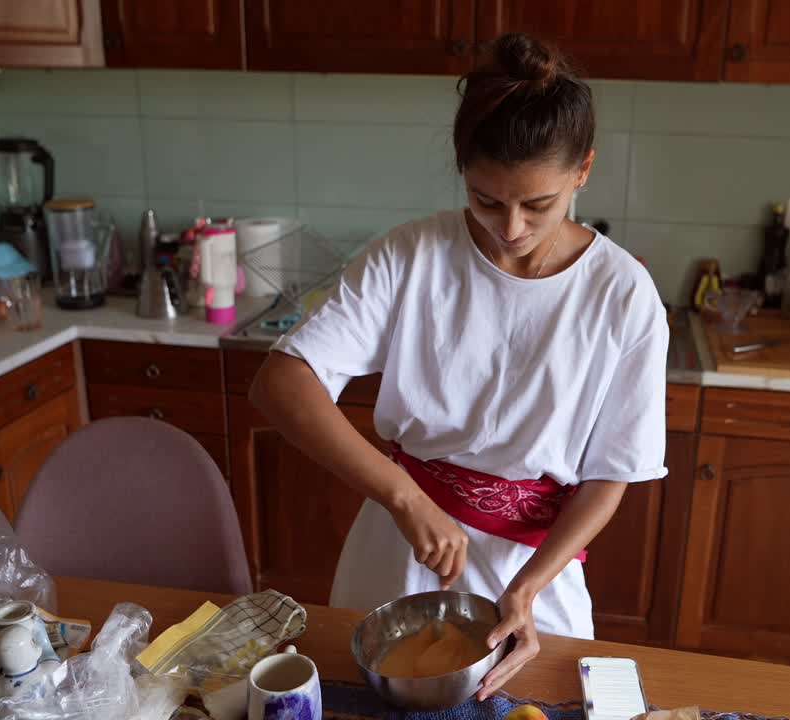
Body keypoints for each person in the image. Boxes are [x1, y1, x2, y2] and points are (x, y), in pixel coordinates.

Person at [249, 33, 669, 699]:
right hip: (399, 554)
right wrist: (402, 494)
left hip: (537, 572)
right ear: (462, 169)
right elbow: (281, 382)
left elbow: (612, 473)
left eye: (538, 205)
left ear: (583, 171)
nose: (509, 228)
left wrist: (530, 585)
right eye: (485, 199)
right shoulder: (411, 257)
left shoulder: (621, 294)